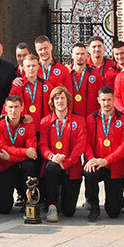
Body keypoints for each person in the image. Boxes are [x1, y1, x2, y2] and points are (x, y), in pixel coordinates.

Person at [83, 86, 124, 221]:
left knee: (113, 212)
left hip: (114, 166)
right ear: (98, 100)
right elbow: (86, 143)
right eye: (103, 100)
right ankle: (93, 206)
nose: (106, 103)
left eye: (109, 100)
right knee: (88, 172)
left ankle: (117, 198)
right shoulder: (91, 119)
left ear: (114, 100)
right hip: (96, 163)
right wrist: (91, 159)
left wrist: (106, 160)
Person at [38, 86, 86, 222]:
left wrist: (67, 163)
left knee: (69, 211)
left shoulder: (78, 120)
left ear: (68, 100)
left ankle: (61, 197)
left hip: (71, 167)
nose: (60, 101)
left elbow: (80, 145)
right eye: (56, 98)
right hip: (54, 165)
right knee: (51, 167)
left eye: (62, 98)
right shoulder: (45, 121)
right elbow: (42, 145)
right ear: (52, 102)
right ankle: (52, 205)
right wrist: (52, 156)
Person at [0, 94, 39, 215]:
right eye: (11, 107)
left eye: (16, 107)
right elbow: (1, 148)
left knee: (29, 165)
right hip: (5, 166)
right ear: (5, 108)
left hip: (21, 166)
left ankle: (27, 199)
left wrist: (11, 156)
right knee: (4, 209)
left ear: (22, 108)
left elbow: (32, 150)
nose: (13, 110)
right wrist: (24, 152)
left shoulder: (28, 123)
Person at [10, 55, 50, 123]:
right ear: (24, 68)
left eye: (34, 65)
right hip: (24, 128)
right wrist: (22, 116)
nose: (31, 68)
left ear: (38, 67)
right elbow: (9, 106)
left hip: (43, 128)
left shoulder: (47, 85)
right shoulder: (18, 86)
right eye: (28, 66)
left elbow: (53, 106)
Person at [67, 42, 102, 119]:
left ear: (87, 55)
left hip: (91, 119)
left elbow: (101, 98)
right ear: (72, 56)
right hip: (70, 119)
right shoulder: (66, 73)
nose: (80, 57)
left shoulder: (95, 75)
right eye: (77, 54)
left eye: (82, 54)